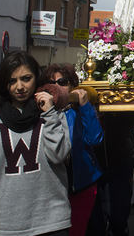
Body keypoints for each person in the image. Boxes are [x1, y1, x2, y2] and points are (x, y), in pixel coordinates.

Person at [0, 51, 72, 236]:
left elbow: (58, 155)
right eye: (12, 81)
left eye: (26, 79)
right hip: (8, 224)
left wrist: (49, 114)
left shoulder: (54, 113)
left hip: (52, 222)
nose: (19, 87)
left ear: (36, 78)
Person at [44, 63, 104, 236]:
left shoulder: (78, 111)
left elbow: (95, 138)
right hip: (52, 187)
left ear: (72, 85)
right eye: (51, 82)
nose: (56, 87)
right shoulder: (42, 111)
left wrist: (85, 106)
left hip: (81, 184)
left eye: (62, 82)